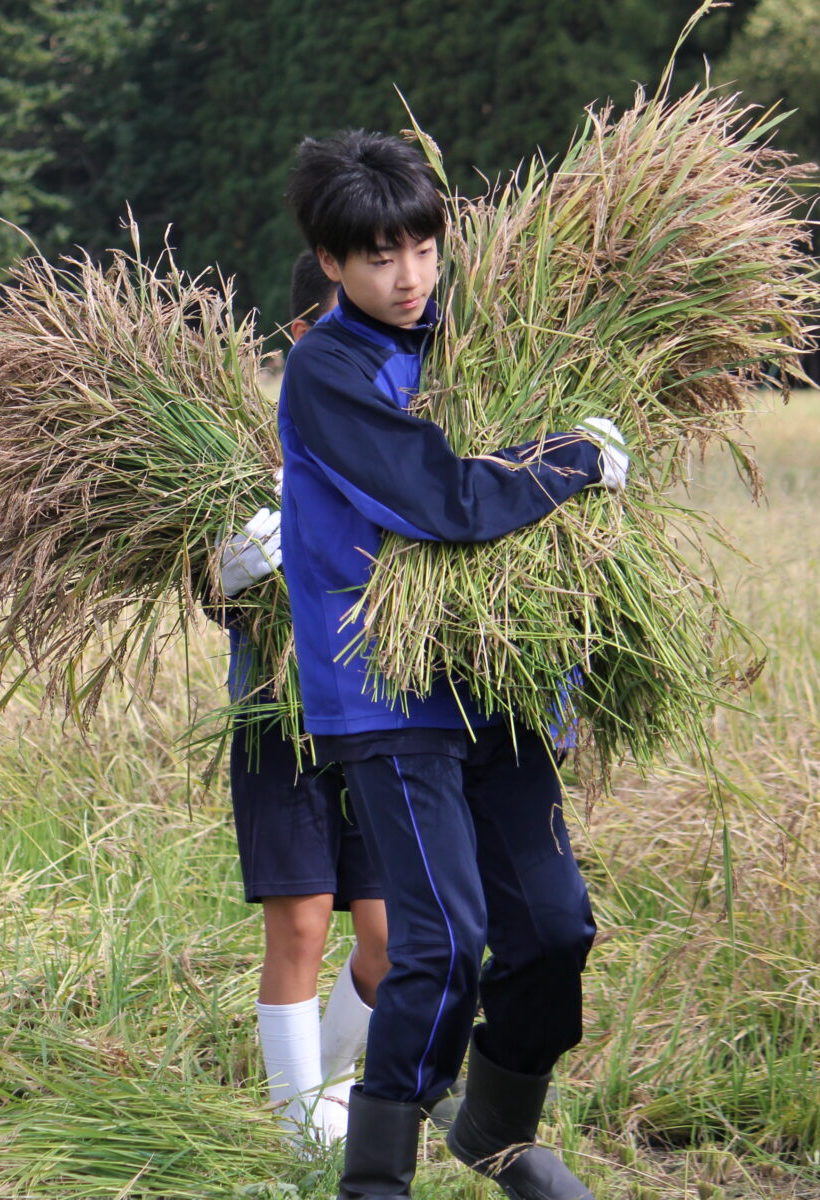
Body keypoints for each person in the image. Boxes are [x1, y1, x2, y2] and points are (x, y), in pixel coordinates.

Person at [276, 130, 628, 1200]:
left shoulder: (475, 337)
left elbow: (500, 446)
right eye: (378, 257)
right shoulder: (326, 370)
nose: (409, 276)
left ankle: (495, 1126)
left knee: (555, 929)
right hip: (382, 692)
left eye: (423, 247)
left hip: (494, 683)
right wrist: (573, 459)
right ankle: (374, 1180)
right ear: (332, 265)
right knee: (443, 943)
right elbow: (442, 500)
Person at [215, 249, 386, 1148]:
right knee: (302, 924)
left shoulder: (398, 427)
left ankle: (324, 1093)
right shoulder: (239, 452)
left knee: (392, 937)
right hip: (277, 716)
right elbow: (210, 591)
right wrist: (229, 567)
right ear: (301, 333)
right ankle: (305, 1143)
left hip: (380, 708)